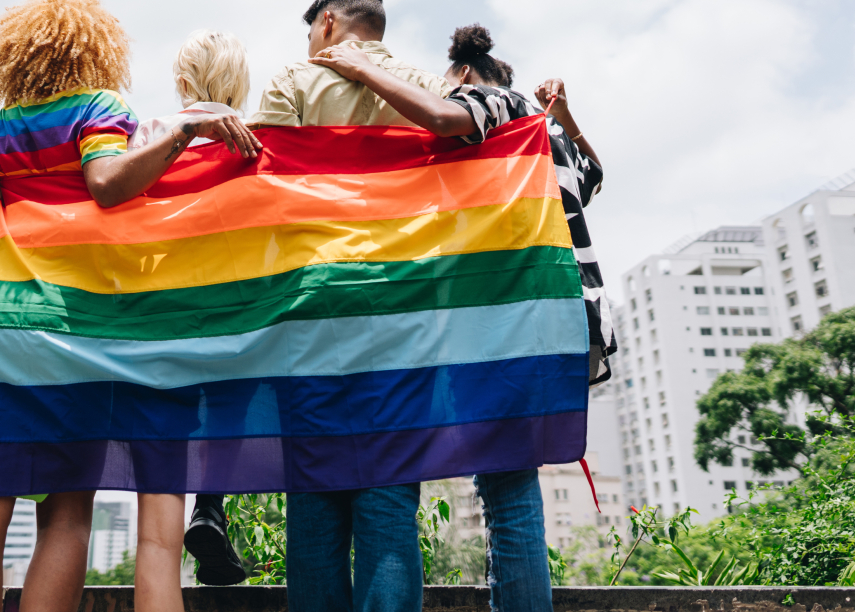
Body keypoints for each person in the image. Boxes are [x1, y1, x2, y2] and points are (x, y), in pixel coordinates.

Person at [0, 2, 259, 611]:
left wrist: (6, 174)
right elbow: (108, 185)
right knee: (67, 509)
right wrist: (186, 133)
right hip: (71, 328)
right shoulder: (99, 109)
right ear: (98, 54)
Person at [309, 23, 611, 612]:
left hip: (509, 321)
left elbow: (445, 121)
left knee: (458, 478)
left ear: (468, 75)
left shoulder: (501, 104)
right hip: (566, 323)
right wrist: (568, 116)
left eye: (450, 86)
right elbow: (597, 174)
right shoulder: (549, 133)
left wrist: (364, 70)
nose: (446, 96)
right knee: (513, 486)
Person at [246, 1, 454, 610]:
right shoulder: (423, 87)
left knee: (313, 502)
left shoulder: (294, 82)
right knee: (388, 503)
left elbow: (258, 181)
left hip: (311, 312)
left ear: (329, 22)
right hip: (404, 315)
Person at [126, 29, 254, 588]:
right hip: (235, 300)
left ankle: (172, 533)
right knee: (230, 406)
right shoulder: (256, 140)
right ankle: (211, 506)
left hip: (165, 302)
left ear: (181, 82)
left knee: (172, 421)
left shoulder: (152, 132)